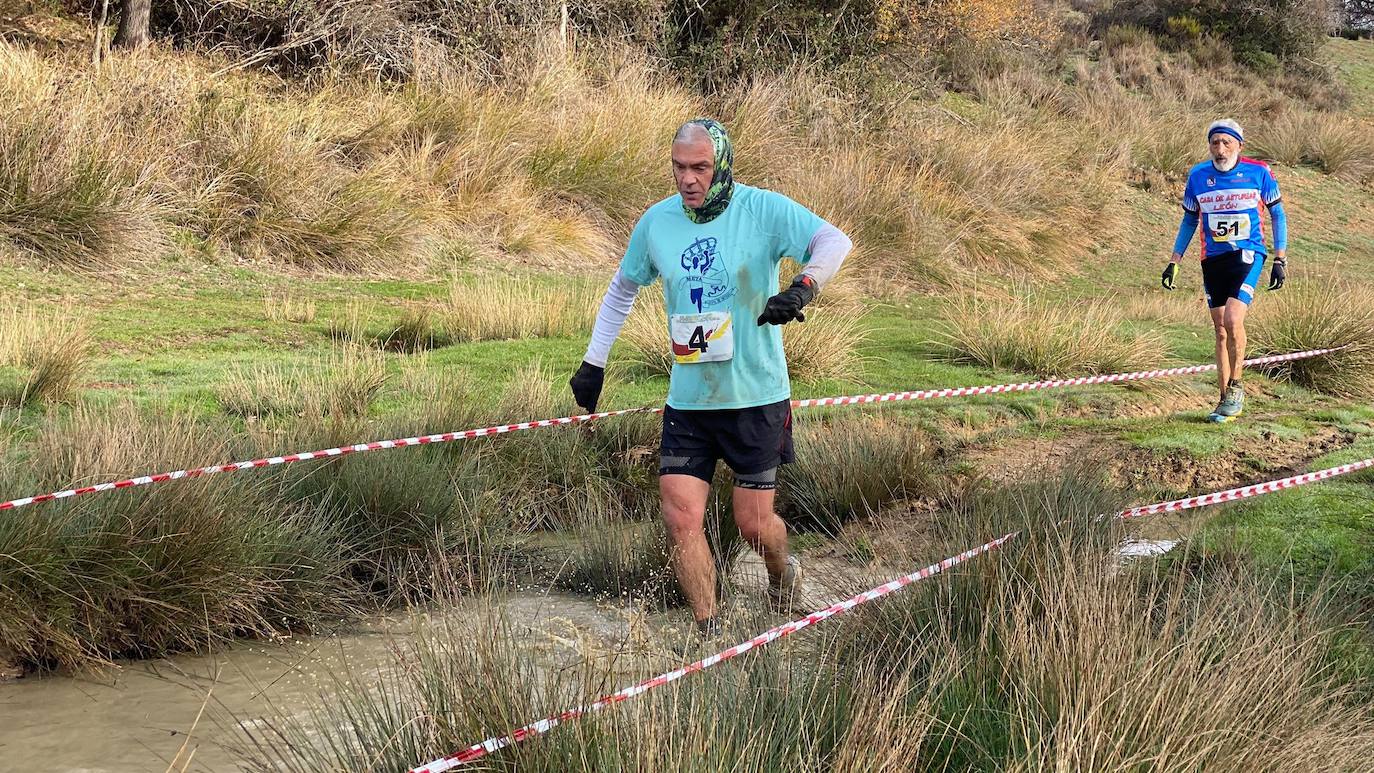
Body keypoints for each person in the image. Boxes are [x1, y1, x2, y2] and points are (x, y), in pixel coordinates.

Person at [568, 118, 853, 638]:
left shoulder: (762, 209)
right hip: (690, 401)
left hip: (755, 396)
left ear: (721, 163)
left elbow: (834, 240)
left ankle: (782, 576)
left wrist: (803, 287)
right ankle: (709, 634)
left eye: (699, 167)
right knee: (680, 518)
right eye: (679, 167)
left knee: (753, 526)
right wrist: (594, 362)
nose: (688, 179)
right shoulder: (657, 223)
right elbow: (622, 289)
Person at [1161, 118, 1288, 423]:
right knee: (1219, 331)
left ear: (1239, 146)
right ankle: (1223, 401)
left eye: (1226, 142)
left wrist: (1279, 259)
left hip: (1248, 255)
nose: (1220, 148)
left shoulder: (1259, 172)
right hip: (1212, 260)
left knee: (1233, 319)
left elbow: (1278, 214)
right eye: (1214, 142)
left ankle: (1237, 386)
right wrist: (1174, 260)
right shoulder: (1197, 176)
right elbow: (1190, 220)